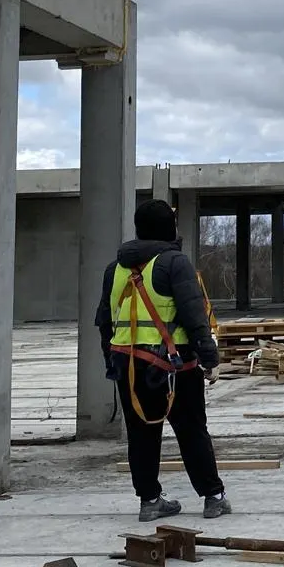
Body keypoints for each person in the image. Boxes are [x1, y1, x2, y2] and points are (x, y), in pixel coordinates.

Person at [94, 198, 230, 522]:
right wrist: (209, 358)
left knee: (140, 433)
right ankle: (213, 497)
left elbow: (105, 322)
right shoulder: (174, 262)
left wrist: (110, 363)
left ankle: (150, 500)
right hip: (174, 365)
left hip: (128, 364)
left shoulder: (115, 269)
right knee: (192, 430)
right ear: (168, 228)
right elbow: (194, 316)